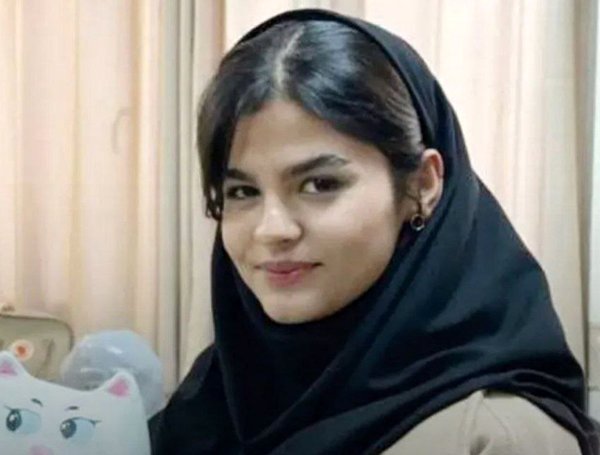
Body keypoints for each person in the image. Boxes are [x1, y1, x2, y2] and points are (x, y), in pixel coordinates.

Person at [150, 8, 600, 454]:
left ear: (422, 184)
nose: (272, 230)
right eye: (243, 191)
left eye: (320, 184)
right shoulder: (215, 401)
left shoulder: (492, 436)